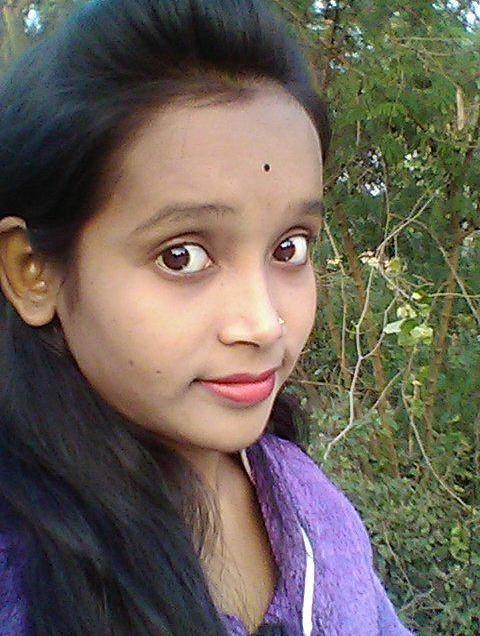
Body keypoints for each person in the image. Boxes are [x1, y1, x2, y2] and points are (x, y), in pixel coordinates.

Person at [0, 1, 415, 635]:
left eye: (289, 248)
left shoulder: (310, 506)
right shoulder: (25, 581)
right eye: (183, 256)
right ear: (34, 272)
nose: (265, 323)